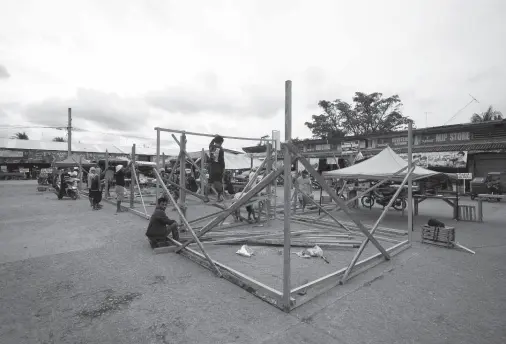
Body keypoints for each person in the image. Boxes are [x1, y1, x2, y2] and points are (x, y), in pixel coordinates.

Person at [208, 135, 225, 201]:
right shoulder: (221, 149)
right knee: (218, 183)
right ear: (221, 142)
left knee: (209, 182)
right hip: (218, 168)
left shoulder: (211, 147)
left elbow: (210, 143)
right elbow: (222, 161)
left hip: (211, 168)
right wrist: (223, 169)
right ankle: (219, 197)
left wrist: (214, 138)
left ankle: (205, 196)